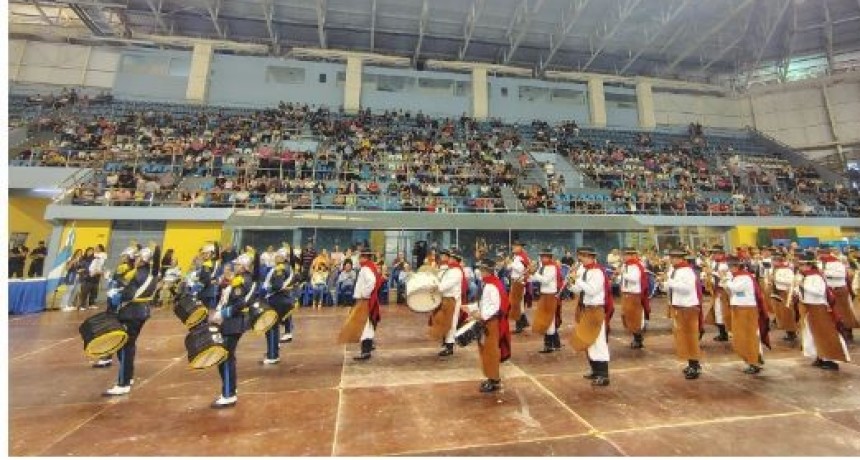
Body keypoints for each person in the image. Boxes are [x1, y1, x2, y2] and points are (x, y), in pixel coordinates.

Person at [103, 246, 160, 396]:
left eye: (138, 257)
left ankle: (123, 383)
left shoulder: (139, 274)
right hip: (141, 312)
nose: (135, 259)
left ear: (143, 260)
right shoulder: (151, 273)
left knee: (124, 347)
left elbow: (128, 294)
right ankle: (128, 376)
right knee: (128, 346)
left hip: (131, 313)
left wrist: (115, 293)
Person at [211, 252, 255, 408]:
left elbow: (239, 304)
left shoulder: (241, 281)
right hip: (233, 322)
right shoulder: (240, 279)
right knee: (227, 357)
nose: (234, 266)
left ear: (243, 267)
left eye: (237, 264)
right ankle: (230, 389)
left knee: (225, 358)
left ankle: (229, 395)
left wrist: (223, 313)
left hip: (233, 322)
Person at [461, 258, 511, 393]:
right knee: (485, 350)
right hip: (487, 321)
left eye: (481, 270)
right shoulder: (488, 284)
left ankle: (494, 380)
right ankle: (490, 377)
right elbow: (484, 303)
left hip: (491, 323)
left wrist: (480, 315)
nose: (479, 272)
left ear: (486, 271)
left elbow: (495, 306)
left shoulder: (492, 286)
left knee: (490, 351)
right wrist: (471, 308)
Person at [795, 252, 851, 371]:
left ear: (809, 265)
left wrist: (803, 286)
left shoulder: (816, 277)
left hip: (819, 307)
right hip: (809, 307)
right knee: (812, 334)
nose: (800, 267)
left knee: (826, 333)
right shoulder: (806, 276)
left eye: (802, 265)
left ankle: (831, 359)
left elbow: (820, 292)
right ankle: (820, 355)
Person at [568, 247, 613, 387]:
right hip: (586, 309)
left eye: (582, 256)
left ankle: (603, 375)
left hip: (595, 309)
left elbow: (592, 290)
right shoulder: (584, 270)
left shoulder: (597, 272)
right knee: (589, 341)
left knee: (598, 342)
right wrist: (571, 283)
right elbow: (579, 290)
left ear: (589, 257)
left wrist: (578, 280)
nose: (580, 259)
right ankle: (595, 370)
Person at [723, 257, 770, 375]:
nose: (729, 269)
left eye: (730, 267)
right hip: (738, 308)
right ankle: (752, 359)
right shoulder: (737, 277)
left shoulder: (744, 277)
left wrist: (725, 280)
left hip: (747, 309)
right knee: (741, 336)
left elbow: (735, 288)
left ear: (736, 267)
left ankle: (754, 361)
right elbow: (732, 292)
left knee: (749, 336)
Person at [661, 249, 704, 379]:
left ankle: (695, 365)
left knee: (690, 337)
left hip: (688, 307)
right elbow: (670, 288)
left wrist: (669, 282)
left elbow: (687, 289)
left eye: (673, 258)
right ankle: (691, 362)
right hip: (679, 306)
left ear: (680, 258)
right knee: (683, 337)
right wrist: (663, 283)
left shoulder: (687, 271)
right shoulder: (674, 270)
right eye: (671, 257)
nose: (671, 260)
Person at [339, 250, 383, 361]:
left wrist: (364, 294)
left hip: (365, 300)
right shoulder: (370, 266)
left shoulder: (366, 269)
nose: (358, 260)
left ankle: (365, 351)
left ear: (364, 257)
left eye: (360, 257)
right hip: (367, 299)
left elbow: (372, 282)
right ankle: (368, 347)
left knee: (365, 326)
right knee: (368, 325)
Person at [430, 249, 466, 357]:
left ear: (454, 259)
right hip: (445, 298)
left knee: (451, 322)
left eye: (451, 258)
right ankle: (446, 343)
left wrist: (436, 287)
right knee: (444, 321)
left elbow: (447, 285)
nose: (449, 259)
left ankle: (449, 346)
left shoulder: (456, 271)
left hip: (452, 299)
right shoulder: (450, 270)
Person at [262, 249, 294, 365]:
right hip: (282, 299)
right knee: (274, 328)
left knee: (271, 328)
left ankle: (273, 355)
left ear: (283, 258)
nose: (275, 258)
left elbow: (277, 285)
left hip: (277, 299)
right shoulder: (286, 267)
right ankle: (273, 350)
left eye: (278, 256)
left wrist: (266, 289)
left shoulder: (280, 269)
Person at [819, 245, 857, 342]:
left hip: (839, 290)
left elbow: (841, 275)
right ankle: (838, 333)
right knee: (833, 313)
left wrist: (825, 273)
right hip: (828, 290)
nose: (821, 255)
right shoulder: (820, 263)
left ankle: (848, 333)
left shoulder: (837, 263)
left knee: (844, 312)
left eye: (823, 253)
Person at [529, 248, 562, 353]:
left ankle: (549, 345)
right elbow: (537, 278)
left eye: (544, 256)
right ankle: (554, 343)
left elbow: (545, 280)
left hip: (550, 295)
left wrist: (534, 273)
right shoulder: (543, 267)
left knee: (549, 320)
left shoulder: (552, 267)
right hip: (544, 295)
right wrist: (529, 276)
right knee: (547, 319)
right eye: (542, 256)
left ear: (549, 257)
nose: (542, 258)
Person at [620, 247, 650, 349]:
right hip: (626, 293)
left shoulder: (636, 266)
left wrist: (623, 273)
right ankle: (636, 337)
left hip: (634, 294)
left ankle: (638, 338)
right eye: (623, 255)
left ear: (632, 255)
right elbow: (624, 279)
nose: (623, 257)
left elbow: (634, 279)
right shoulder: (625, 266)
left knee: (634, 318)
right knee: (626, 317)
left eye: (625, 255)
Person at [770, 253, 798, 342]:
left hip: (785, 293)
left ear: (779, 261)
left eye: (774, 261)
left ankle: (792, 332)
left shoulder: (787, 270)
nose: (772, 263)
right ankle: (787, 330)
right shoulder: (775, 269)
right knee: (781, 313)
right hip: (777, 293)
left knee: (787, 313)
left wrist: (776, 279)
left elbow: (791, 281)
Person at [506, 240, 531, 333]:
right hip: (515, 281)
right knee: (518, 304)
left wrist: (511, 264)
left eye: (515, 246)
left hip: (519, 282)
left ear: (520, 247)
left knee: (516, 304)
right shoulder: (516, 257)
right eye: (514, 245)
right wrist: (509, 264)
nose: (513, 247)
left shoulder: (522, 257)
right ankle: (523, 323)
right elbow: (510, 267)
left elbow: (521, 269)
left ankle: (519, 325)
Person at [708, 246, 731, 342]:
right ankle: (722, 333)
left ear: (721, 254)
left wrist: (713, 273)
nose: (714, 255)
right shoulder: (714, 263)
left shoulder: (726, 265)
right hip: (716, 290)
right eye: (714, 253)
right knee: (717, 312)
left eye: (716, 253)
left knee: (724, 311)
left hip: (723, 291)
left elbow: (726, 277)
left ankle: (727, 332)